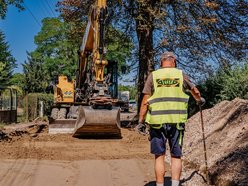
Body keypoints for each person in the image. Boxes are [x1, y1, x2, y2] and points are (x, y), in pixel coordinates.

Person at [136, 51, 205, 186]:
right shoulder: (180, 75)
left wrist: (141, 121)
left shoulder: (154, 76)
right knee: (176, 156)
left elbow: (145, 100)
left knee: (159, 156)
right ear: (174, 62)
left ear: (161, 62)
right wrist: (199, 100)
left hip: (157, 123)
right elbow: (195, 91)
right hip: (176, 122)